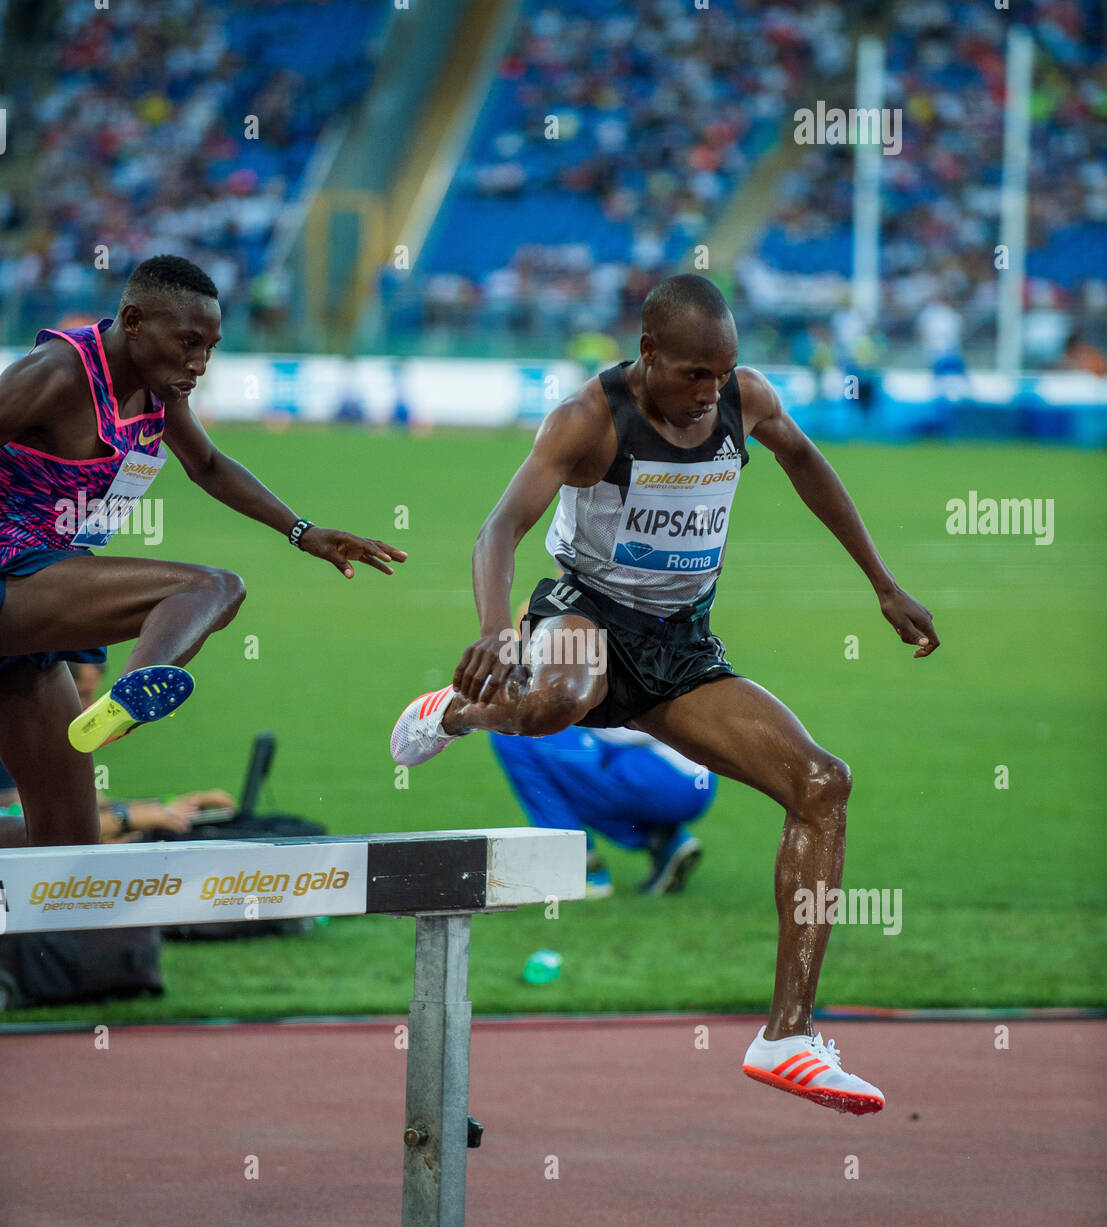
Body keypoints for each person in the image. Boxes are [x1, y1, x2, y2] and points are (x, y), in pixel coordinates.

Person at [392, 273, 940, 1117]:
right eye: (692, 374)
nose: (708, 391)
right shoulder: (587, 419)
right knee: (554, 702)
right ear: (648, 354)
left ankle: (786, 1039)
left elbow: (805, 462)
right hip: (586, 610)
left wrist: (882, 583)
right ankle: (457, 711)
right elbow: (500, 526)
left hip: (681, 643)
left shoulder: (742, 401)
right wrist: (499, 631)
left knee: (822, 784)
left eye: (721, 373)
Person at [0, 254, 406, 849]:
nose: (200, 362)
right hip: (14, 573)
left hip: (38, 607)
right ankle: (133, 694)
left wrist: (303, 531)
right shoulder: (58, 373)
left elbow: (209, 465)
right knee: (211, 586)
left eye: (211, 347)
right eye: (188, 342)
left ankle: (122, 706)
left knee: (67, 848)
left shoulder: (158, 388)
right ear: (133, 320)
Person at [0, 660, 235, 846]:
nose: (87, 707)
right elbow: (43, 825)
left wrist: (175, 804)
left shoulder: (48, 744)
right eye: (80, 694)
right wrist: (128, 821)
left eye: (92, 696)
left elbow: (96, 805)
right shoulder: (13, 743)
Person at [490, 723, 716, 897]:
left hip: (658, 772)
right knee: (574, 771)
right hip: (698, 770)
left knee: (513, 732)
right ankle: (663, 839)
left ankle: (577, 868)